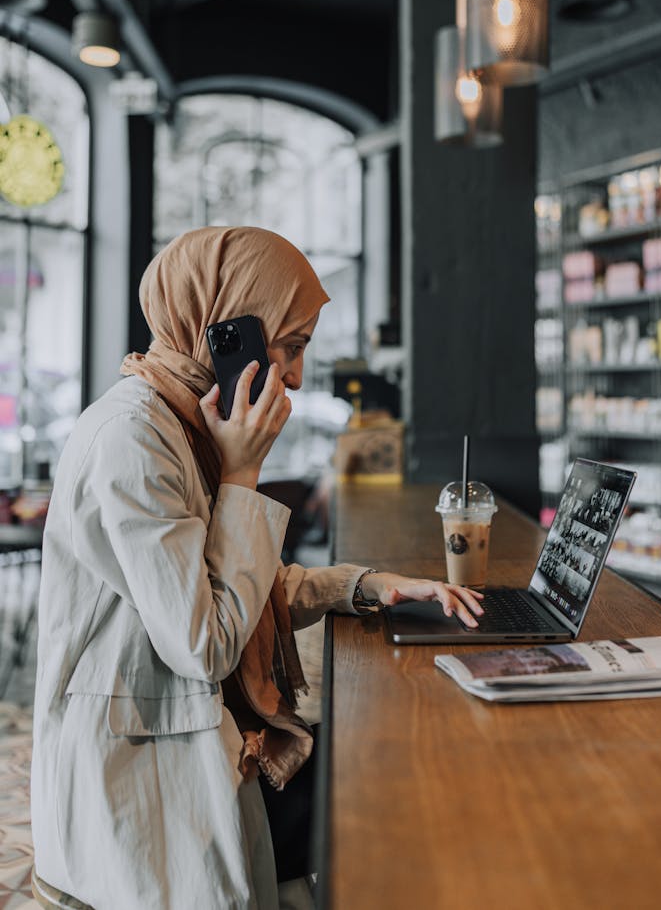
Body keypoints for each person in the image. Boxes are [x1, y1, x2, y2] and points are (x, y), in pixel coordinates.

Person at [30, 226, 483, 910]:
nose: (297, 375)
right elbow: (205, 641)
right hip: (135, 784)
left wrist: (366, 585)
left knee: (384, 777)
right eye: (292, 345)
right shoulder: (134, 439)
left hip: (191, 739)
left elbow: (233, 582)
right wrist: (243, 473)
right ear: (226, 330)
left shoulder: (183, 422)